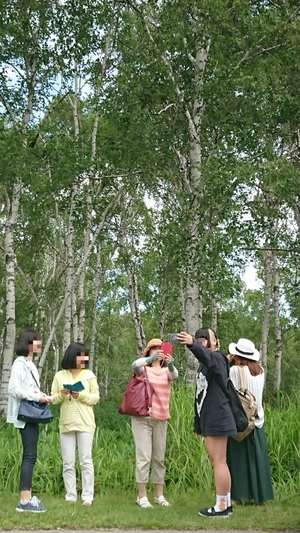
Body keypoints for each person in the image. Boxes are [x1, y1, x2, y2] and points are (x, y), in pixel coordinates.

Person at [177, 328, 236, 518]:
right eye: (199, 338)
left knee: (218, 461)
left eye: (205, 338)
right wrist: (198, 424)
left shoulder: (218, 358)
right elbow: (199, 396)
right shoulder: (206, 364)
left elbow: (207, 356)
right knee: (218, 461)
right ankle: (225, 504)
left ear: (216, 341)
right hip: (210, 418)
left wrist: (192, 344)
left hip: (219, 417)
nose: (202, 341)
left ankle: (221, 506)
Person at [50, 342, 100, 506]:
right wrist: (63, 394)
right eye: (81, 355)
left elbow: (95, 398)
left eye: (85, 355)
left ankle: (87, 496)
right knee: (68, 462)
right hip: (67, 423)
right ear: (72, 356)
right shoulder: (60, 376)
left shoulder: (89, 375)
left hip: (86, 423)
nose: (84, 358)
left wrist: (81, 395)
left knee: (86, 460)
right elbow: (54, 399)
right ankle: (70, 496)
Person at [131, 338, 178, 508]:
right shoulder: (143, 370)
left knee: (159, 458)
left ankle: (159, 495)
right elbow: (134, 364)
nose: (158, 352)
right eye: (154, 349)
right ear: (148, 351)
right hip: (143, 418)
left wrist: (170, 364)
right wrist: (150, 360)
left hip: (161, 418)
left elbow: (175, 376)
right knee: (144, 457)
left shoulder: (167, 372)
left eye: (161, 349)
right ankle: (142, 496)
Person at [7, 329, 50, 513]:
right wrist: (35, 396)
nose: (40, 344)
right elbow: (13, 389)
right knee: (29, 456)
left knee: (31, 455)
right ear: (28, 343)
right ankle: (24, 501)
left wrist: (41, 396)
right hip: (25, 414)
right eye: (37, 341)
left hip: (32, 413)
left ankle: (28, 498)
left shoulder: (30, 364)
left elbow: (30, 388)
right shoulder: (19, 364)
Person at [226, 338, 274, 506]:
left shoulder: (234, 371)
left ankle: (239, 496)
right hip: (257, 420)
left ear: (238, 355)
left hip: (240, 421)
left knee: (238, 459)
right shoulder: (260, 372)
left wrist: (227, 360)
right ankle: (261, 497)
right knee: (257, 459)